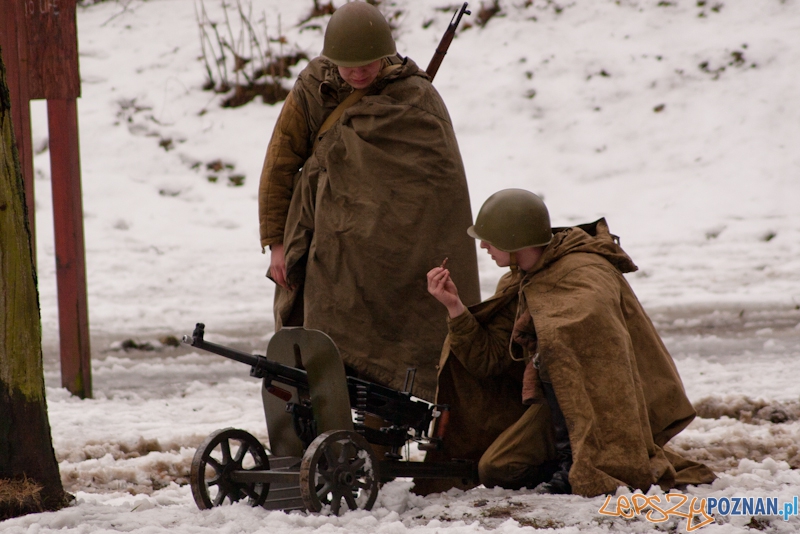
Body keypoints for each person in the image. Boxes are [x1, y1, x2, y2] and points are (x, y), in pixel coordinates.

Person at [423, 189, 716, 496]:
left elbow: (602, 354)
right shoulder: (518, 280)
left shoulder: (585, 272)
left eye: (490, 239)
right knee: (498, 468)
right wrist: (454, 307)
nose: (483, 246)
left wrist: (552, 343)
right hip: (552, 402)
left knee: (509, 467)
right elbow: (489, 360)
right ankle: (568, 459)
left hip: (600, 400)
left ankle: (599, 458)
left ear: (514, 241)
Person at [257, 1, 480, 402]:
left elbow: (437, 186)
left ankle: (380, 427)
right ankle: (318, 425)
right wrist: (276, 243)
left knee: (386, 357)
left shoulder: (416, 97)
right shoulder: (313, 87)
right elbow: (280, 163)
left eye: (369, 65)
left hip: (390, 259)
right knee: (318, 340)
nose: (359, 73)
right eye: (348, 66)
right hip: (324, 246)